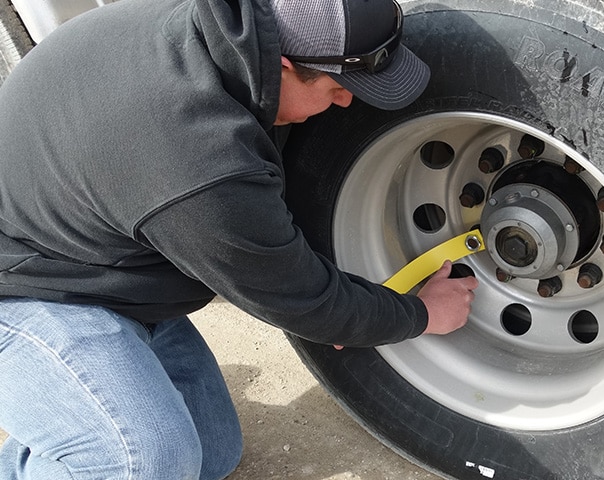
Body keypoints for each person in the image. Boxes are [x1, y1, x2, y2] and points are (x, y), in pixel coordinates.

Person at [0, 0, 479, 477]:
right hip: (26, 292)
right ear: (284, 66)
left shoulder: (225, 26)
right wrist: (419, 314)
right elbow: (304, 303)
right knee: (143, 463)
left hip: (92, 251)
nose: (347, 103)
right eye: (337, 89)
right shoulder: (200, 160)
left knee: (212, 452)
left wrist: (345, 307)